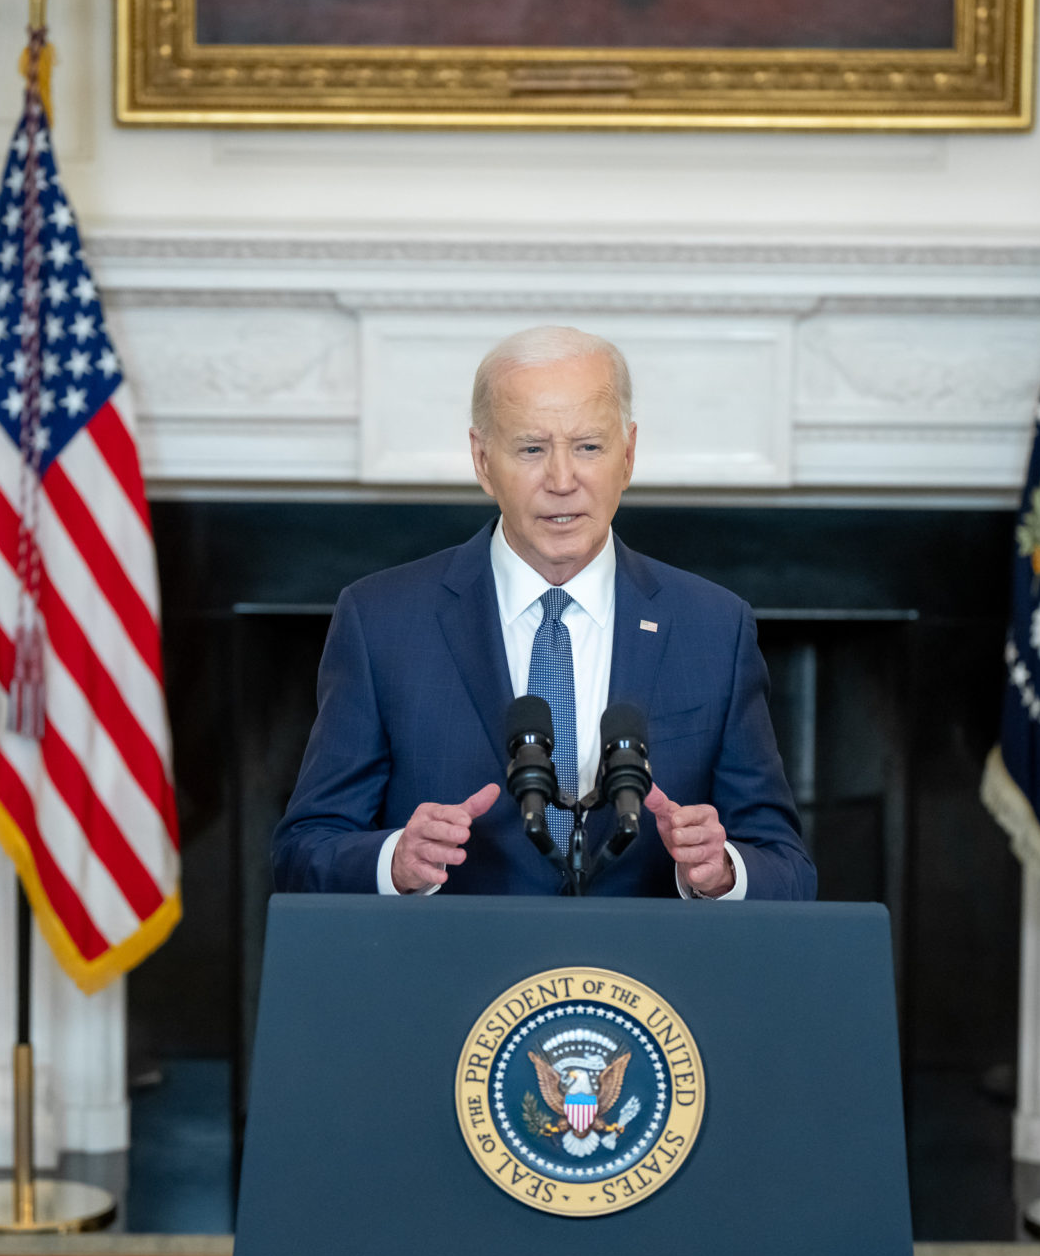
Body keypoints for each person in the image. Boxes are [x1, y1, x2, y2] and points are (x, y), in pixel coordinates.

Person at [272, 326, 815, 900]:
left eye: (589, 447)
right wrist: (393, 862)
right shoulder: (381, 621)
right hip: (454, 978)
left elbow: (788, 867)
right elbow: (304, 850)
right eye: (532, 448)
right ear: (483, 461)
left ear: (627, 456)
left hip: (644, 982)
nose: (562, 481)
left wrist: (723, 870)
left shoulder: (713, 627)